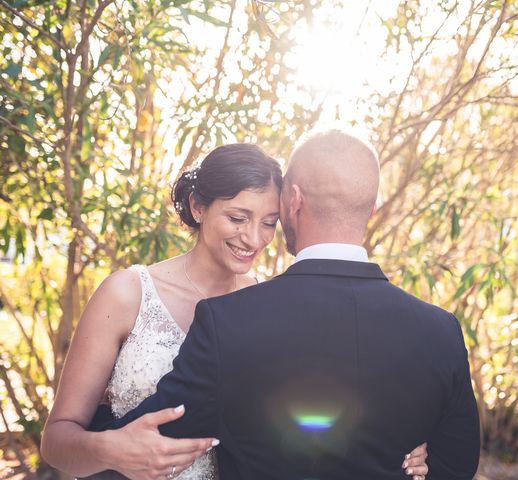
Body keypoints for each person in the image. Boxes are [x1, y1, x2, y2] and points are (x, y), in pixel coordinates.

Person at [87, 129, 481, 479]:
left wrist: (97, 423)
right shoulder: (440, 332)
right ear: (372, 210)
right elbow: (456, 465)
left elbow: (144, 441)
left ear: (292, 202)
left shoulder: (230, 323)